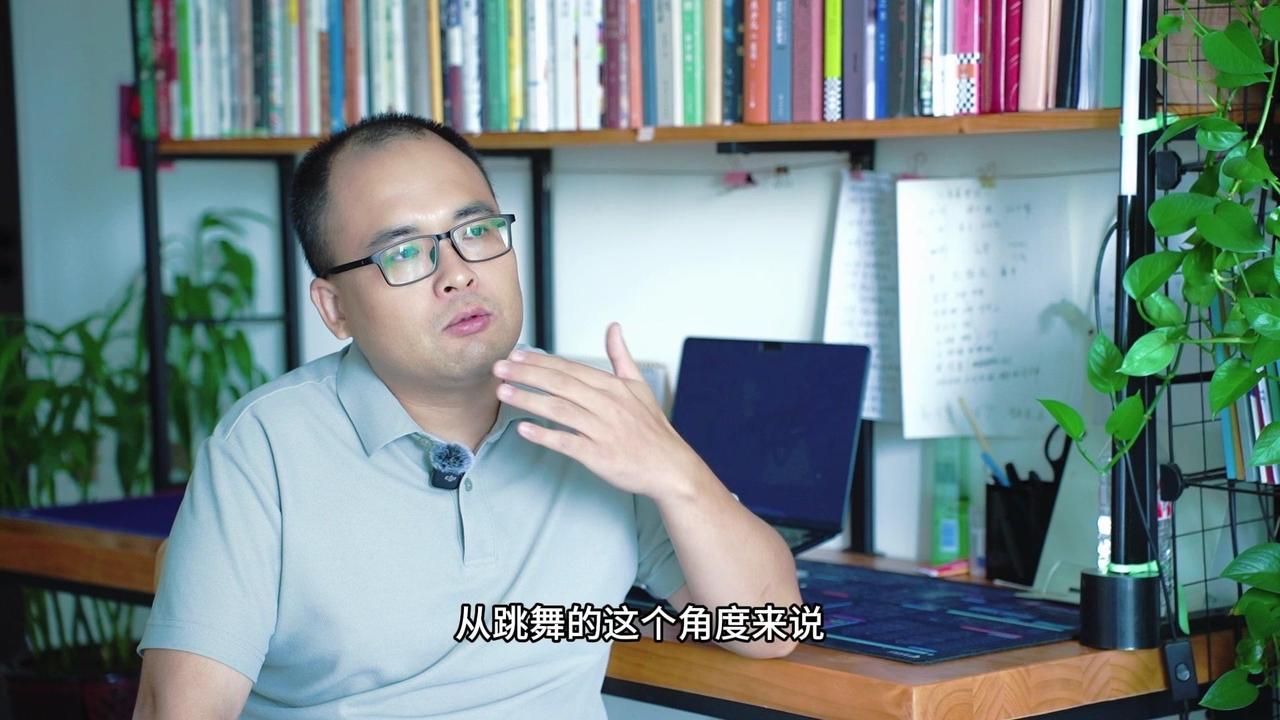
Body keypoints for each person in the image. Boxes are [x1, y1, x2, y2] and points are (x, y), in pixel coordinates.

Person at [133, 113, 802, 719]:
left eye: (476, 231)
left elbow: (768, 630)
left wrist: (674, 470)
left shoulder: (588, 415)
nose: (457, 272)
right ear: (334, 308)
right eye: (403, 252)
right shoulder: (265, 447)